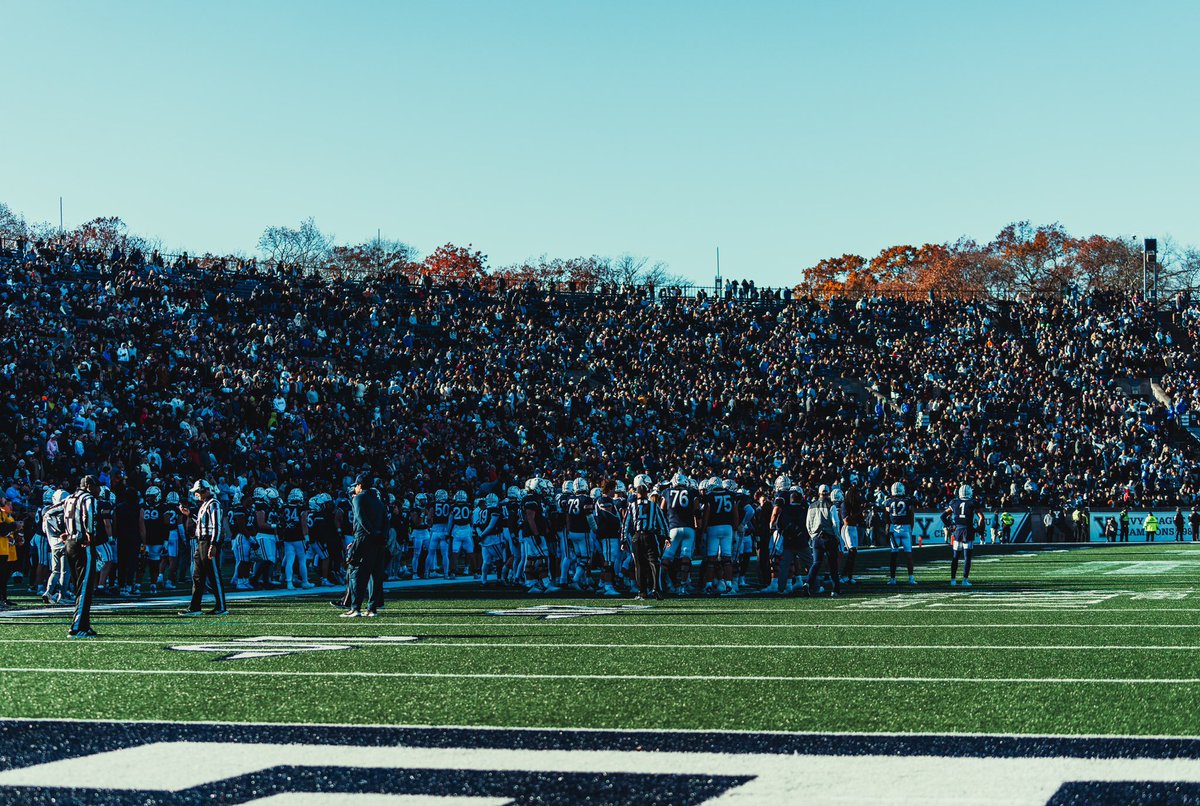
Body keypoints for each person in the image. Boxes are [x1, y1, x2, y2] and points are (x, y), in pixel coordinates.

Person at [178, 479, 228, 616]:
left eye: (197, 492)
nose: (196, 495)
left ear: (203, 490)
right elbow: (201, 523)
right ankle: (195, 607)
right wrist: (189, 514)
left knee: (213, 575)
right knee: (197, 575)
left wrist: (214, 544)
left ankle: (221, 606)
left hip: (208, 542)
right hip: (201, 542)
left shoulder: (214, 504)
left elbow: (217, 526)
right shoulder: (205, 505)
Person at [343, 473, 387, 618]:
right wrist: (381, 536)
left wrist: (368, 535)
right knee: (375, 575)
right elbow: (386, 520)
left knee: (356, 573)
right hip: (379, 540)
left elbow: (361, 519)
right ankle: (372, 608)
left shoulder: (359, 498)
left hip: (364, 538)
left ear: (360, 485)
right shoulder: (378, 500)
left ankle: (355, 608)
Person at [63, 475, 101, 637]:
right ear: (89, 486)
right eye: (96, 486)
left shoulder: (69, 498)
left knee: (80, 586)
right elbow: (89, 515)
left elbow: (50, 512)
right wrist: (90, 535)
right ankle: (78, 626)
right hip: (82, 544)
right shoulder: (88, 498)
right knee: (85, 587)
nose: (98, 489)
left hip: (70, 543)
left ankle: (83, 624)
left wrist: (63, 532)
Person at [623, 474, 668, 600]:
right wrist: (667, 536)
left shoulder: (631, 505)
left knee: (639, 565)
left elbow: (625, 524)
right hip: (650, 535)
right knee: (654, 562)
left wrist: (623, 539)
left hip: (637, 537)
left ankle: (642, 591)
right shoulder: (653, 505)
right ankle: (656, 589)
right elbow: (662, 521)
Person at [803, 484, 841, 597]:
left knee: (816, 563)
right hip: (828, 537)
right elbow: (835, 523)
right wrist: (837, 536)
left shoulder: (811, 505)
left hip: (816, 538)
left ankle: (807, 583)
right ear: (828, 493)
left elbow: (808, 523)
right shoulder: (831, 506)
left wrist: (812, 535)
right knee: (832, 564)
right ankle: (835, 589)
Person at [947, 484, 982, 587]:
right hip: (968, 530)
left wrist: (951, 526)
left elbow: (943, 516)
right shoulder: (972, 503)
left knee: (955, 556)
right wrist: (979, 529)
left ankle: (953, 580)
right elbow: (981, 518)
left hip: (958, 531)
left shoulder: (954, 502)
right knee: (967, 557)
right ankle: (964, 580)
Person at [884, 482, 916, 585]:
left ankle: (893, 579)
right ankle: (911, 578)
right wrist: (911, 527)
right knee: (909, 555)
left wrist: (888, 527)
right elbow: (911, 515)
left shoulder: (888, 501)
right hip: (906, 528)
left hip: (894, 529)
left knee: (894, 554)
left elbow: (886, 516)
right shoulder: (908, 501)